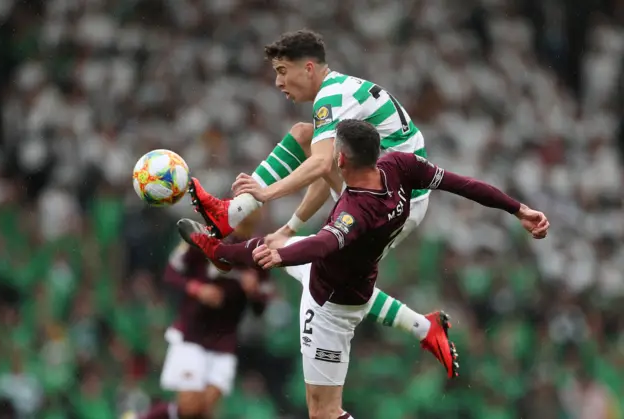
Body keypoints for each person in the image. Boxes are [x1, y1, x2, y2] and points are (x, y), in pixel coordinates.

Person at [178, 119, 550, 419]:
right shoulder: (398, 166)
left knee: (323, 412)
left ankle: (223, 253)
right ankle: (220, 253)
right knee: (273, 246)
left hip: (330, 307)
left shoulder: (356, 211)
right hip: (348, 280)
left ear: (340, 159)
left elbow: (323, 243)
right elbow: (462, 184)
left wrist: (283, 257)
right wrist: (517, 208)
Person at [181, 29, 456, 365]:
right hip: (387, 190)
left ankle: (230, 225)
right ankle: (230, 219)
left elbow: (324, 164)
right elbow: (329, 167)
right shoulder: (340, 91)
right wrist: (290, 226)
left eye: (283, 72)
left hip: (398, 203)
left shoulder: (331, 98)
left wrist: (266, 193)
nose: (279, 83)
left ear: (308, 68)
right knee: (303, 139)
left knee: (333, 282)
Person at [123, 214, 272, 419]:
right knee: (190, 408)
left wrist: (254, 292)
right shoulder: (205, 237)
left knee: (204, 411)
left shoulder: (258, 252)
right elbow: (171, 273)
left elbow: (260, 309)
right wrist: (198, 289)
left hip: (224, 341)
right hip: (192, 334)